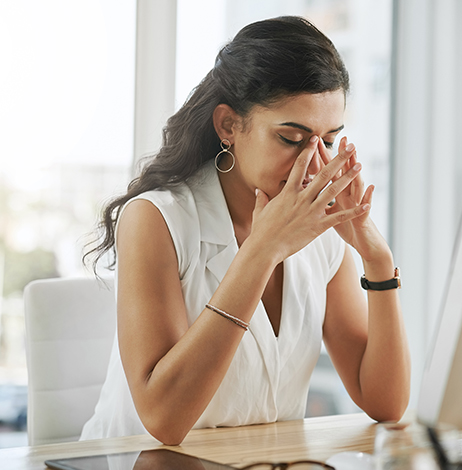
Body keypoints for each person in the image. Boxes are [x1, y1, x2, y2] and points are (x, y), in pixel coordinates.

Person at [81, 16, 410, 445]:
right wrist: (262, 251)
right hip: (134, 468)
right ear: (229, 127)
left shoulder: (322, 232)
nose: (315, 164)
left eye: (329, 140)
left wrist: (377, 259)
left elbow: (385, 403)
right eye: (292, 138)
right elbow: (163, 419)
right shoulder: (156, 218)